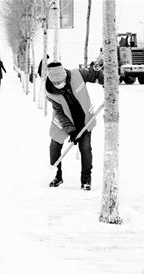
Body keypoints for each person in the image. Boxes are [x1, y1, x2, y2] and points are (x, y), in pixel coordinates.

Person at [45, 62, 104, 190]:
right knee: (54, 147)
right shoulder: (50, 92)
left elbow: (95, 74)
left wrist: (105, 81)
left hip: (84, 119)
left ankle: (86, 180)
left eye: (61, 81)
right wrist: (71, 131)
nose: (59, 84)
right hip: (63, 122)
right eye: (56, 83)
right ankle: (57, 176)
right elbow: (60, 113)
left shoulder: (77, 74)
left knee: (86, 148)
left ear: (65, 75)